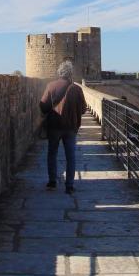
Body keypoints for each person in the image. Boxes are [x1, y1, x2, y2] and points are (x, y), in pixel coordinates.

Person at [39, 60, 87, 194]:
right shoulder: (76, 89)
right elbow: (83, 109)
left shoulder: (51, 86)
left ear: (59, 73)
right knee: (71, 156)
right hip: (71, 127)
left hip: (54, 126)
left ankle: (52, 182)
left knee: (52, 153)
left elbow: (43, 105)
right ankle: (69, 186)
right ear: (70, 74)